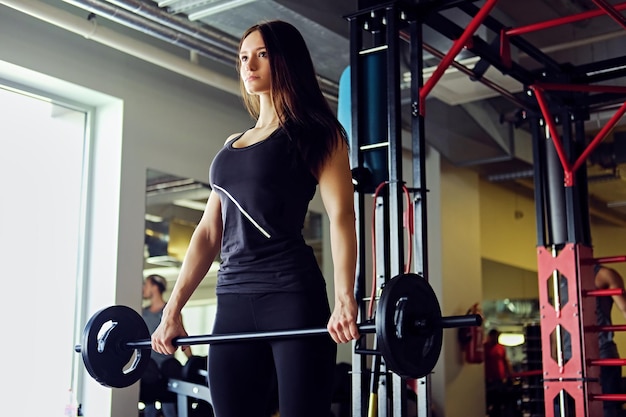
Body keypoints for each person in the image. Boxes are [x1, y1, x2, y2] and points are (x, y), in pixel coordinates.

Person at [150, 20, 360, 417]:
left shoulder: (318, 134)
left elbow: (342, 217)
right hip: (232, 301)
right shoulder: (232, 145)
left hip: (292, 296)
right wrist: (173, 309)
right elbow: (209, 232)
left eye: (262, 54)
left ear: (287, 61)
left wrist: (345, 297)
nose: (250, 65)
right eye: (244, 57)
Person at [141, 274, 192, 417]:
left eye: (147, 285)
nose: (143, 288)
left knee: (169, 409)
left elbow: (182, 338)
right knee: (149, 409)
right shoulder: (142, 313)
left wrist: (192, 361)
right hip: (149, 370)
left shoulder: (170, 313)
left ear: (155, 287)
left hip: (167, 368)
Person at [594, 264, 626, 417]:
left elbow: (625, 309)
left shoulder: (604, 275)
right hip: (569, 361)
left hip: (603, 358)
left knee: (609, 411)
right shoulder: (561, 278)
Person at [484, 328, 514, 417]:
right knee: (489, 401)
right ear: (490, 336)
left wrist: (511, 375)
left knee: (499, 402)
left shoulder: (500, 348)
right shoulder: (484, 347)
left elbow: (505, 361)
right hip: (488, 380)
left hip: (499, 380)